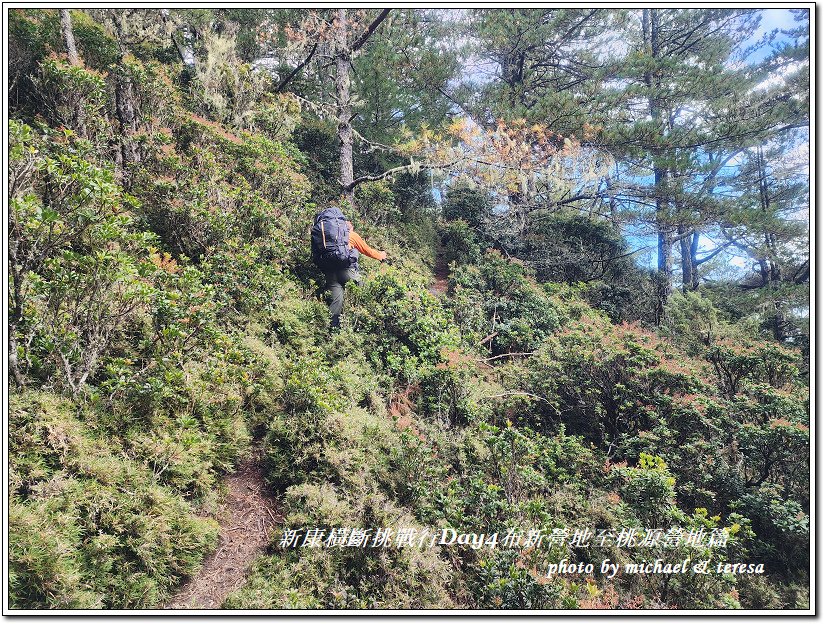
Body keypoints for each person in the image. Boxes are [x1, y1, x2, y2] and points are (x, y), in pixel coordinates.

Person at [311, 207, 388, 330]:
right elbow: (367, 251)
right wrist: (381, 256)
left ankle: (332, 332)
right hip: (347, 271)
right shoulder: (351, 235)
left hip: (329, 273)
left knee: (336, 302)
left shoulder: (324, 235)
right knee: (364, 289)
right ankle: (364, 322)